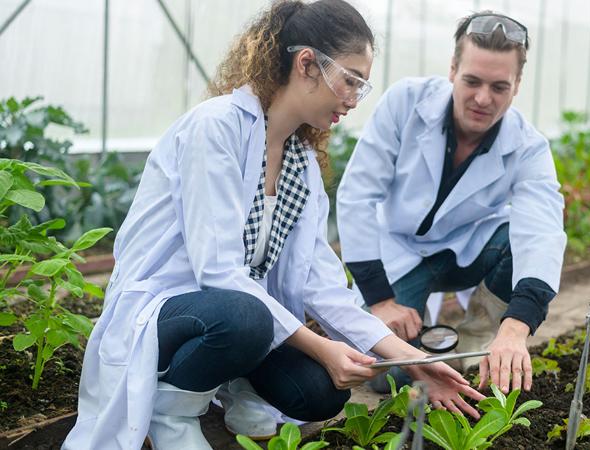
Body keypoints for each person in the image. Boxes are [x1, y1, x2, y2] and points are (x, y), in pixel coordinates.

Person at [63, 2, 483, 449]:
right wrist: (322, 347)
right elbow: (217, 273)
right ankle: (173, 409)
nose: (353, 98)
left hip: (235, 322)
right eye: (351, 80)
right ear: (307, 64)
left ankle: (229, 381)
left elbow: (320, 285)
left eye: (362, 86)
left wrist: (411, 358)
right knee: (247, 316)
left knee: (319, 392)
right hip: (170, 310)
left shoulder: (299, 163)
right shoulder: (217, 128)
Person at [337, 11, 567, 395]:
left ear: (518, 85)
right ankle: (426, 338)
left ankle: (476, 343)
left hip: (467, 251)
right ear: (452, 70)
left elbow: (542, 233)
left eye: (499, 87)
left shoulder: (528, 147)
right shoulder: (405, 103)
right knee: (384, 374)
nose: (482, 98)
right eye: (472, 81)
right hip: (399, 249)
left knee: (516, 238)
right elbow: (357, 195)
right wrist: (380, 301)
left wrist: (515, 327)